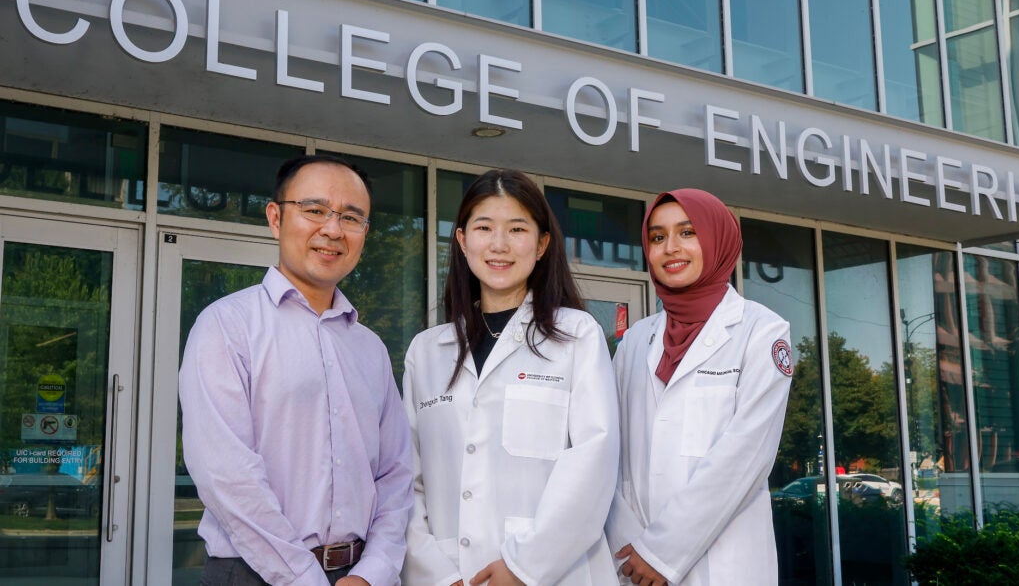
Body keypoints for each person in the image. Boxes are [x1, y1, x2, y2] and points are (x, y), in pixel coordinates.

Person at [179, 155, 413, 586]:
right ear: (275, 217)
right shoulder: (228, 326)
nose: (332, 229)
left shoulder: (371, 348)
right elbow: (226, 474)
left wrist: (373, 572)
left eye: (351, 217)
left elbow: (397, 474)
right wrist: (304, 577)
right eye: (315, 210)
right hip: (253, 573)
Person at [401, 169, 619, 586]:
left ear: (541, 245)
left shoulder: (577, 336)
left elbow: (593, 463)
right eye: (484, 228)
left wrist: (523, 568)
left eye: (517, 229)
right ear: (463, 241)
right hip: (452, 575)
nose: (499, 245)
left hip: (551, 573)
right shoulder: (426, 352)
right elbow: (407, 479)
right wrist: (437, 575)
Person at [606, 189, 792, 586]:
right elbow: (610, 455)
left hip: (724, 564)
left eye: (687, 233)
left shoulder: (762, 332)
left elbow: (745, 456)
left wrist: (661, 552)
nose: (670, 248)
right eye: (657, 237)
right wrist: (630, 546)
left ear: (717, 240)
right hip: (631, 562)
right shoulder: (637, 340)